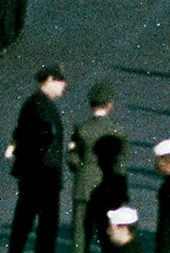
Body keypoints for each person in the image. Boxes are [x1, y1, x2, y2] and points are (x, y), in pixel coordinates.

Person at [8, 66, 68, 253]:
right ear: (49, 80)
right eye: (60, 83)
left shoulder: (33, 103)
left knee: (23, 221)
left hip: (32, 172)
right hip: (43, 174)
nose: (63, 87)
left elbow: (20, 132)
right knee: (46, 225)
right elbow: (45, 134)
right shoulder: (43, 107)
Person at [69, 83, 125, 253]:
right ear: (109, 105)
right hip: (107, 189)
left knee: (81, 236)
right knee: (107, 236)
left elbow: (71, 159)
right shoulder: (118, 131)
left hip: (83, 186)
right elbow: (120, 164)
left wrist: (82, 167)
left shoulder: (82, 130)